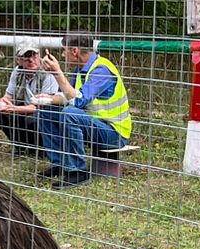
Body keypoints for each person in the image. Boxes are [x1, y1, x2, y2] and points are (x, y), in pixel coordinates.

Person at [36, 31, 132, 189]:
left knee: (69, 114)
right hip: (94, 125)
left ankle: (78, 172)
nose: (62, 54)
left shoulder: (101, 71)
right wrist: (48, 99)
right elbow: (70, 96)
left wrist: (57, 73)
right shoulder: (79, 70)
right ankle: (60, 164)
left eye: (64, 50)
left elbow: (78, 101)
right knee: (46, 110)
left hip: (113, 133)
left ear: (74, 51)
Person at [0, 43, 59, 156]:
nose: (31, 60)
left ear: (39, 56)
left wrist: (13, 109)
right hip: (24, 109)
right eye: (26, 58)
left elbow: (39, 107)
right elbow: (8, 96)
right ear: (19, 61)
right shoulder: (17, 72)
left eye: (34, 56)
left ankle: (41, 148)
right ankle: (20, 146)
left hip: (44, 113)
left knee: (33, 120)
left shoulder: (48, 74)